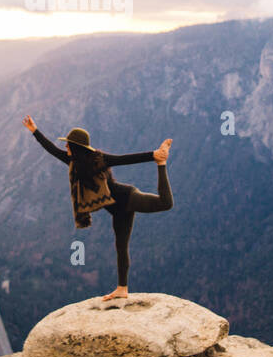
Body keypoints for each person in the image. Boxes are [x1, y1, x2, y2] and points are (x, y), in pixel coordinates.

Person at [22, 115, 173, 301]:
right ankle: (122, 289)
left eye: (68, 144)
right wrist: (35, 131)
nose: (65, 147)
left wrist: (154, 156)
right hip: (117, 210)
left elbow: (124, 159)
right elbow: (52, 149)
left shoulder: (98, 159)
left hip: (127, 197)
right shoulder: (74, 163)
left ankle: (162, 165)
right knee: (121, 247)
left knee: (165, 203)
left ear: (76, 147)